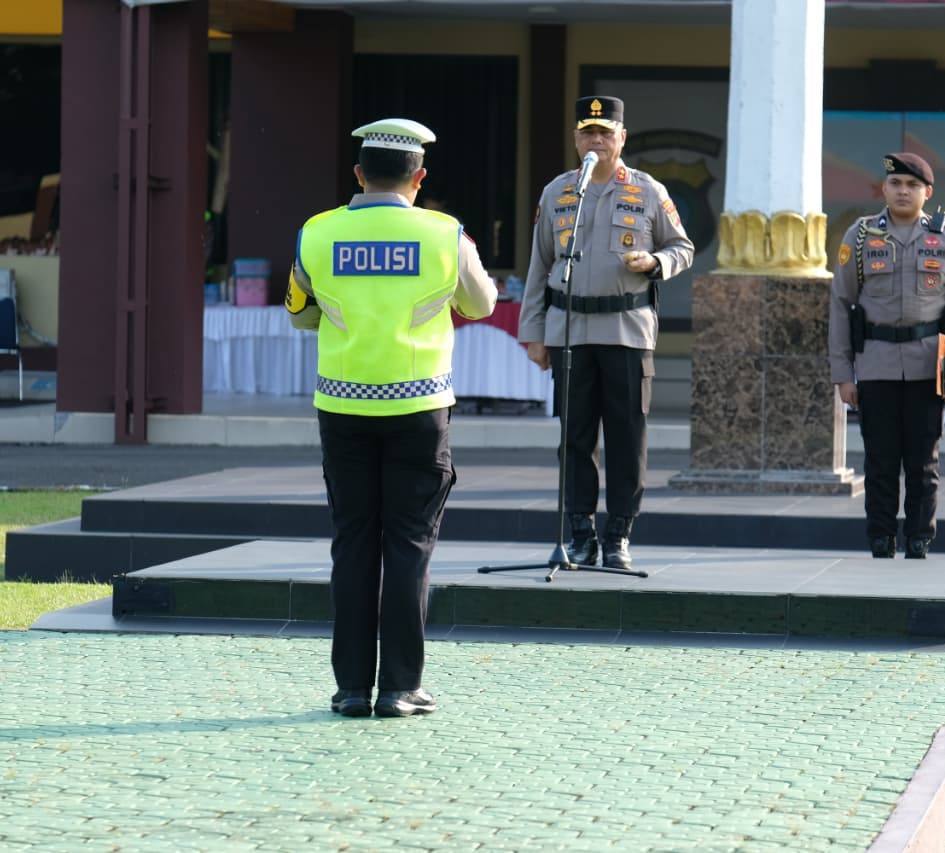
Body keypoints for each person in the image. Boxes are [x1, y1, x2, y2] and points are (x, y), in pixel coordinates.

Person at [287, 118, 497, 718]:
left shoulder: (316, 232)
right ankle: (401, 687)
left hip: (343, 406)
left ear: (358, 174)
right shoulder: (445, 234)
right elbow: (482, 304)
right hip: (419, 407)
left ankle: (352, 688)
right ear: (419, 177)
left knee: (353, 543)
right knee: (409, 546)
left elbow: (299, 313)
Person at [517, 95, 695, 570]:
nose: (596, 140)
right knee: (575, 438)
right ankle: (580, 533)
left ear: (622, 138)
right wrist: (534, 331)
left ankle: (618, 534)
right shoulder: (558, 192)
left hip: (626, 332)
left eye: (605, 132)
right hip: (569, 331)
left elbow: (682, 247)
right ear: (576, 139)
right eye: (587, 132)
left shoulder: (648, 190)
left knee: (626, 436)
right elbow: (539, 265)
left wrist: (655, 261)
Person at [829, 152, 945, 559]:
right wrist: (843, 374)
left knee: (923, 461)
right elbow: (841, 304)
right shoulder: (861, 236)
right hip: (875, 363)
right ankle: (880, 536)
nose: (902, 191)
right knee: (879, 459)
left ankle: (919, 537)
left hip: (928, 365)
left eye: (912, 185)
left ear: (927, 192)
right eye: (895, 184)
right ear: (883, 188)